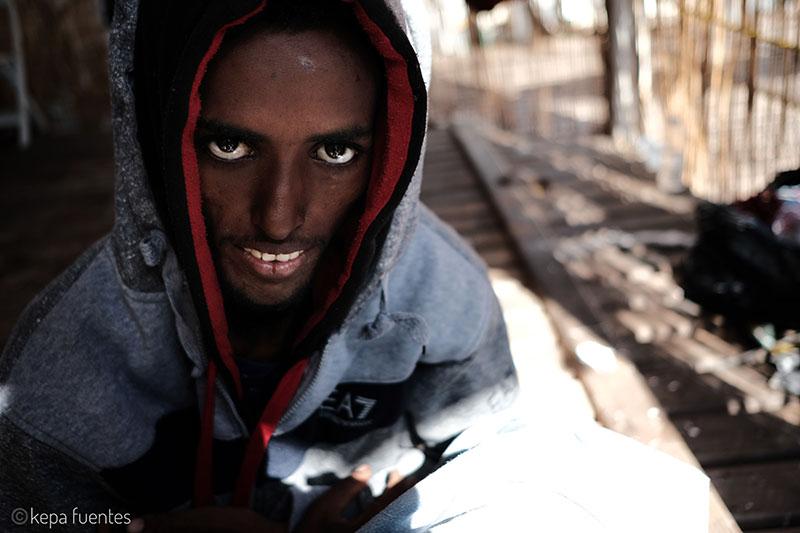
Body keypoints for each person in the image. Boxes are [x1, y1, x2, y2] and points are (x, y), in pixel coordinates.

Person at [0, 0, 517, 531]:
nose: (278, 219)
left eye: (336, 152)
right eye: (230, 146)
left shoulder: (445, 304)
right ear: (158, 141)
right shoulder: (54, 371)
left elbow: (507, 475)